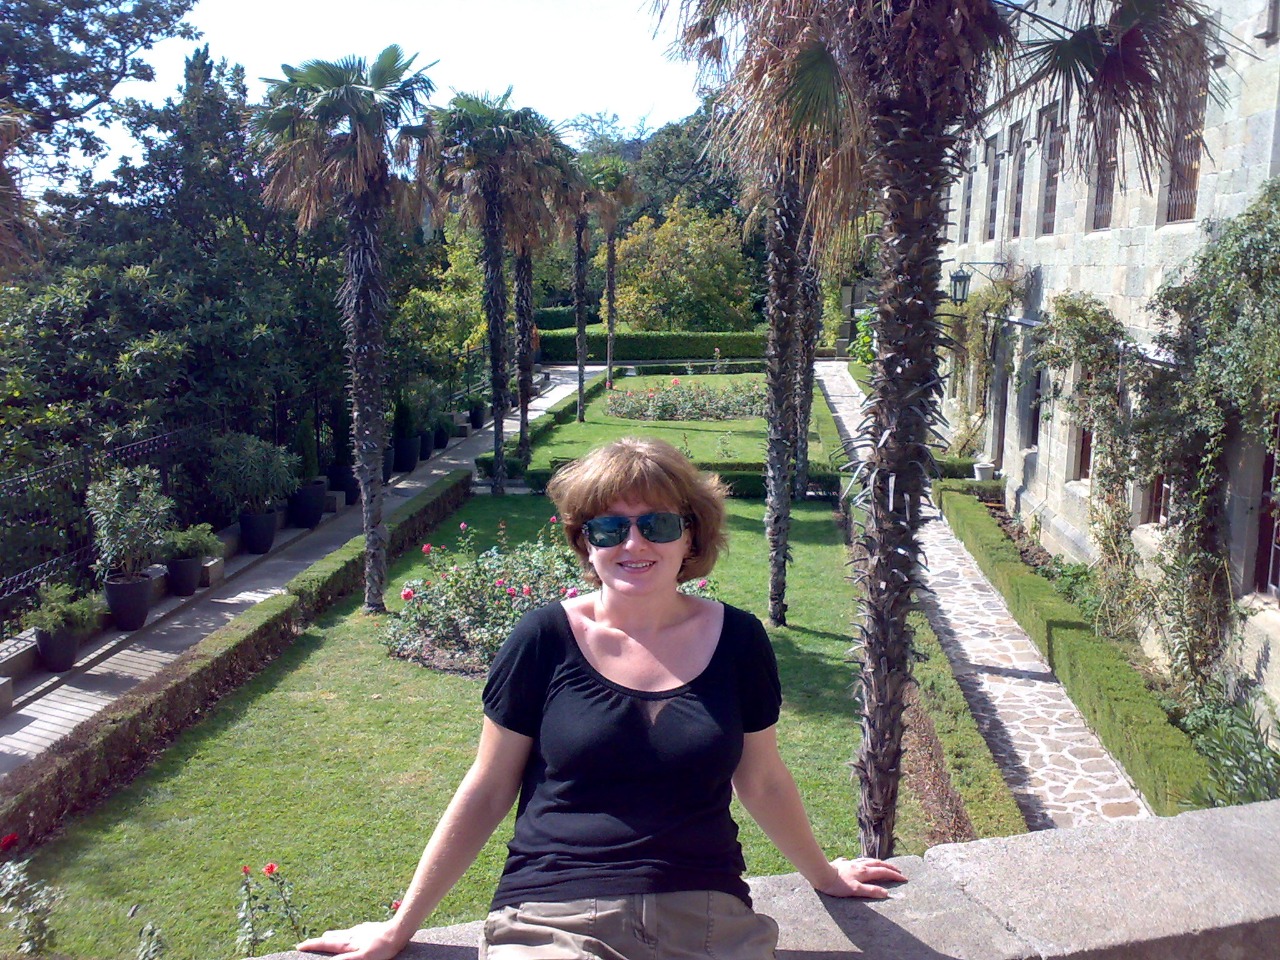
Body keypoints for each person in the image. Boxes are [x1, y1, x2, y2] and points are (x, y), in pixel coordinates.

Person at [299, 437, 906, 960]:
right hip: (553, 914)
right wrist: (401, 925)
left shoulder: (739, 639)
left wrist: (825, 875)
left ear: (690, 536)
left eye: (657, 524)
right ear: (585, 543)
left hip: (705, 913)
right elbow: (487, 787)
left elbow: (764, 780)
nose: (633, 544)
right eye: (610, 528)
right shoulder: (544, 638)